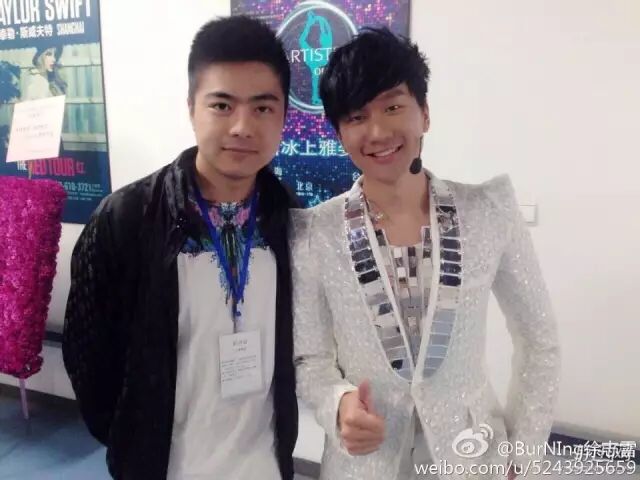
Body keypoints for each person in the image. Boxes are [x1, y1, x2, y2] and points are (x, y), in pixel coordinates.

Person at [291, 27, 560, 480]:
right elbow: (311, 360)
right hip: (364, 465)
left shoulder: (487, 212)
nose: (378, 131)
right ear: (339, 133)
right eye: (357, 116)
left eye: (393, 106)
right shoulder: (314, 233)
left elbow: (540, 341)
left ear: (425, 114)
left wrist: (523, 453)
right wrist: (337, 405)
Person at [63, 16, 298, 480]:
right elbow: (88, 358)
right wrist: (133, 441)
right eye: (222, 105)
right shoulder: (126, 218)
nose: (242, 126)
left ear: (284, 115)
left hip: (265, 465)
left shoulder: (289, 218)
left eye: (262, 108)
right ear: (191, 108)